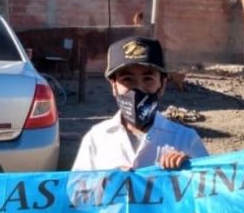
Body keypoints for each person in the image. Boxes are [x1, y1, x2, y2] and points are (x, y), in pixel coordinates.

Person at [72, 36, 208, 171]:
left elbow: (209, 187)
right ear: (113, 86)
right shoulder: (96, 138)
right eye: (127, 79)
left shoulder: (186, 139)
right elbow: (76, 189)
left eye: (148, 79)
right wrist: (104, 182)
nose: (138, 88)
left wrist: (189, 170)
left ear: (162, 84)